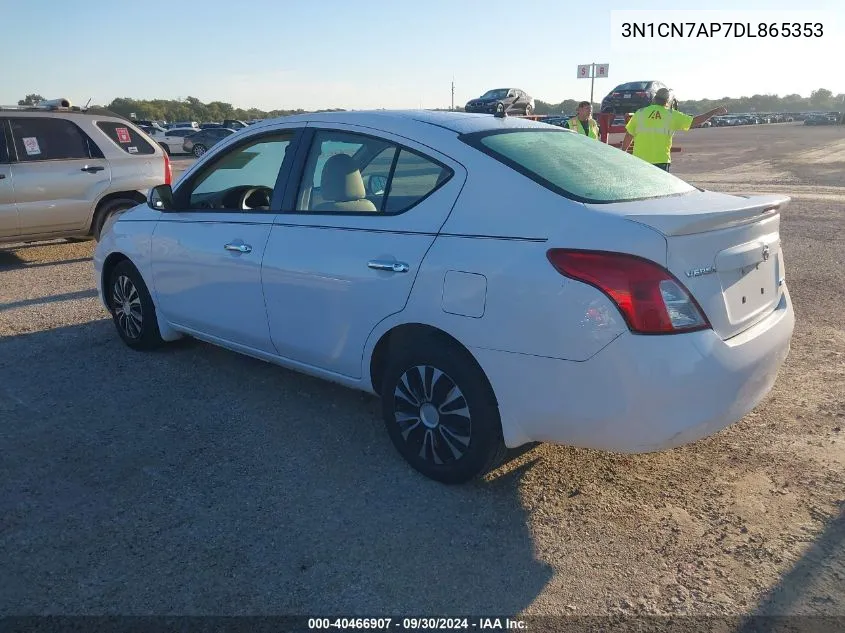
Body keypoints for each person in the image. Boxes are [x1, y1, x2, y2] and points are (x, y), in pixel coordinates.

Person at [622, 88, 727, 171]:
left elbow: (628, 135)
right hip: (660, 161)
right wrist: (713, 111)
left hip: (640, 161)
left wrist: (622, 154)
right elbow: (694, 121)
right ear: (667, 101)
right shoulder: (671, 115)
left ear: (654, 99)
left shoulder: (640, 113)